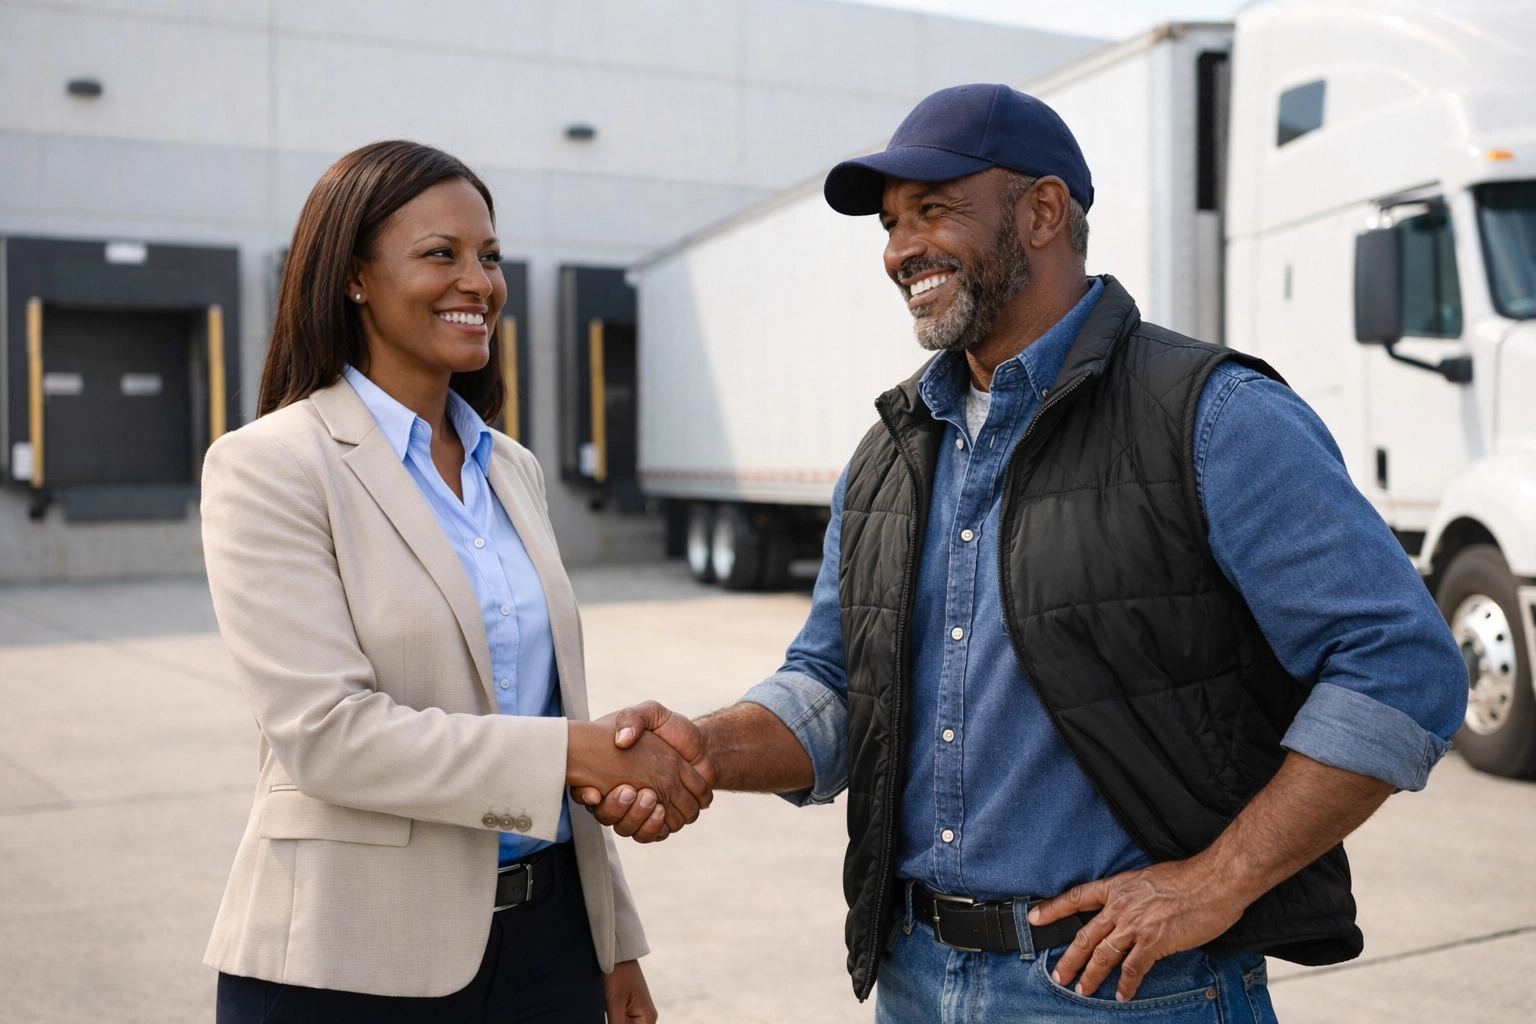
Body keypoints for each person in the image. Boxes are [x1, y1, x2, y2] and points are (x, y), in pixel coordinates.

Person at [575, 86, 1468, 1021]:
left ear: (1042, 212)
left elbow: (1399, 665)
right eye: (889, 224)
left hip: (1127, 993)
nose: (899, 250)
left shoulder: (1212, 417)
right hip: (917, 981)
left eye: (933, 210)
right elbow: (838, 685)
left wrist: (1215, 881)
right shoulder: (891, 452)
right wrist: (701, 747)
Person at [201, 140, 710, 1024]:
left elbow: (558, 708)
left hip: (549, 946)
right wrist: (570, 753)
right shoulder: (271, 466)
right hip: (350, 963)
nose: (478, 281)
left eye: (489, 257)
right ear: (354, 275)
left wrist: (613, 941)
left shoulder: (510, 469)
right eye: (441, 254)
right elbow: (327, 735)